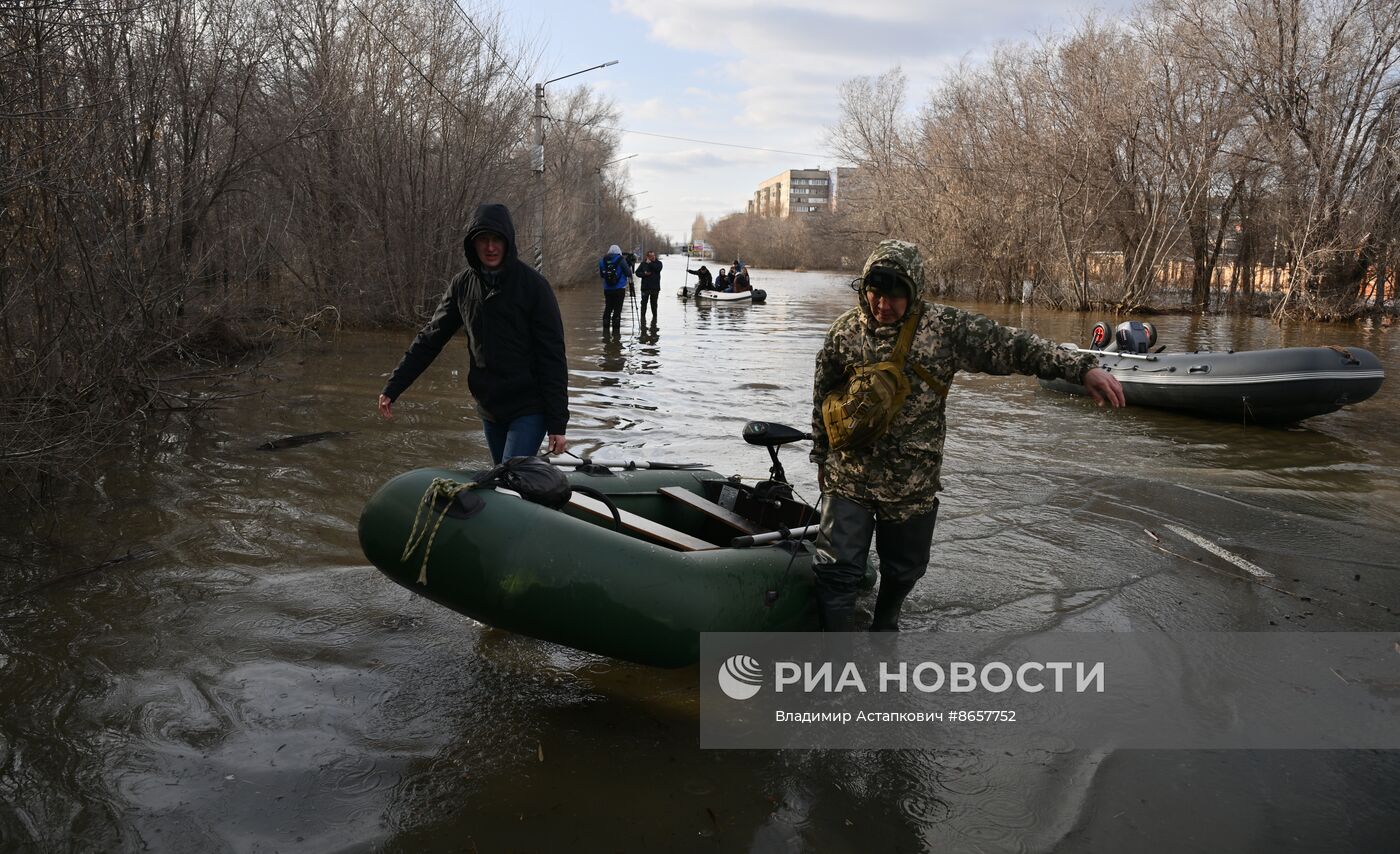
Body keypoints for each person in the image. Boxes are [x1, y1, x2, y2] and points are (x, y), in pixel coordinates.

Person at [809, 239, 1125, 632]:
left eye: (895, 296)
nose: (882, 305)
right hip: (848, 474)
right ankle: (836, 656)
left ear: (913, 291)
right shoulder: (844, 332)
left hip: (911, 482)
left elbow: (1013, 346)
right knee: (835, 572)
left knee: (904, 571)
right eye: (875, 293)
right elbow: (823, 395)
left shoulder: (945, 330)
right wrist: (820, 456)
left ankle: (885, 629)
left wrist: (1081, 368)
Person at [378, 203, 569, 465]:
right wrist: (394, 386)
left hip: (529, 406)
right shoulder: (462, 285)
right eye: (483, 240)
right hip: (490, 406)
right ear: (472, 244)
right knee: (502, 473)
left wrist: (557, 423)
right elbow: (430, 339)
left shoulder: (534, 287)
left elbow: (553, 357)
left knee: (509, 476)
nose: (490, 247)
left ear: (508, 241)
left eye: (497, 239)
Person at [598, 243, 632, 332]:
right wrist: (629, 264)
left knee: (608, 308)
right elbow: (629, 273)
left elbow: (602, 275)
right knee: (617, 310)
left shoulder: (602, 260)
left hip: (607, 289)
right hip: (619, 289)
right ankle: (616, 333)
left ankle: (605, 331)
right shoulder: (621, 259)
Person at [634, 250, 664, 325]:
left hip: (655, 288)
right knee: (643, 304)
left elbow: (657, 269)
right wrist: (644, 274)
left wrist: (650, 263)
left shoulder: (659, 263)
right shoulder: (643, 263)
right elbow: (637, 273)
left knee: (654, 305)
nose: (653, 257)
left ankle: (654, 321)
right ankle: (642, 320)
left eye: (653, 255)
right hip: (645, 288)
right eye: (651, 256)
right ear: (647, 257)